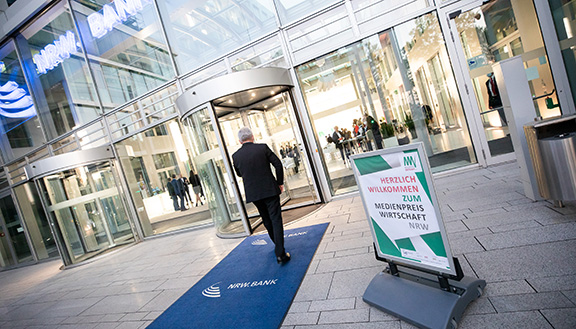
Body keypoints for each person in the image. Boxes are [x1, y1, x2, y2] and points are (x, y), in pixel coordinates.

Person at [232, 127, 290, 264]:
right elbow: (278, 164)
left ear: (240, 141)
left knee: (266, 219)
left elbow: (239, 174)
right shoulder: (262, 148)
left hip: (254, 193)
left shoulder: (236, 156)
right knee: (275, 219)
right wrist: (279, 182)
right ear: (252, 137)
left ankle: (278, 245)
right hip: (270, 189)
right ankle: (280, 253)